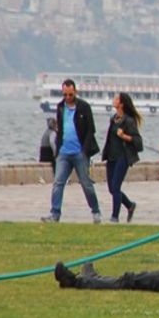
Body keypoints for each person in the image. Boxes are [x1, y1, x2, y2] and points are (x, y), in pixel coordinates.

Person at [41, 79, 102, 223]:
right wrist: (58, 147)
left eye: (70, 94)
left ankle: (96, 211)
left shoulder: (84, 107)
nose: (68, 97)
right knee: (58, 183)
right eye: (65, 94)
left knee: (86, 184)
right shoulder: (60, 107)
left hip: (79, 152)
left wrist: (84, 150)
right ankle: (55, 213)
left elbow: (90, 130)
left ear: (75, 92)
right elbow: (60, 129)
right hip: (64, 152)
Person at [101, 93, 143, 223]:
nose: (113, 100)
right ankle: (130, 205)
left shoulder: (129, 121)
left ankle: (115, 217)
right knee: (112, 189)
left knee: (115, 186)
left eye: (116, 99)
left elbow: (138, 142)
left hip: (123, 157)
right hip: (111, 157)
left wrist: (124, 136)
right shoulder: (113, 119)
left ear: (122, 103)